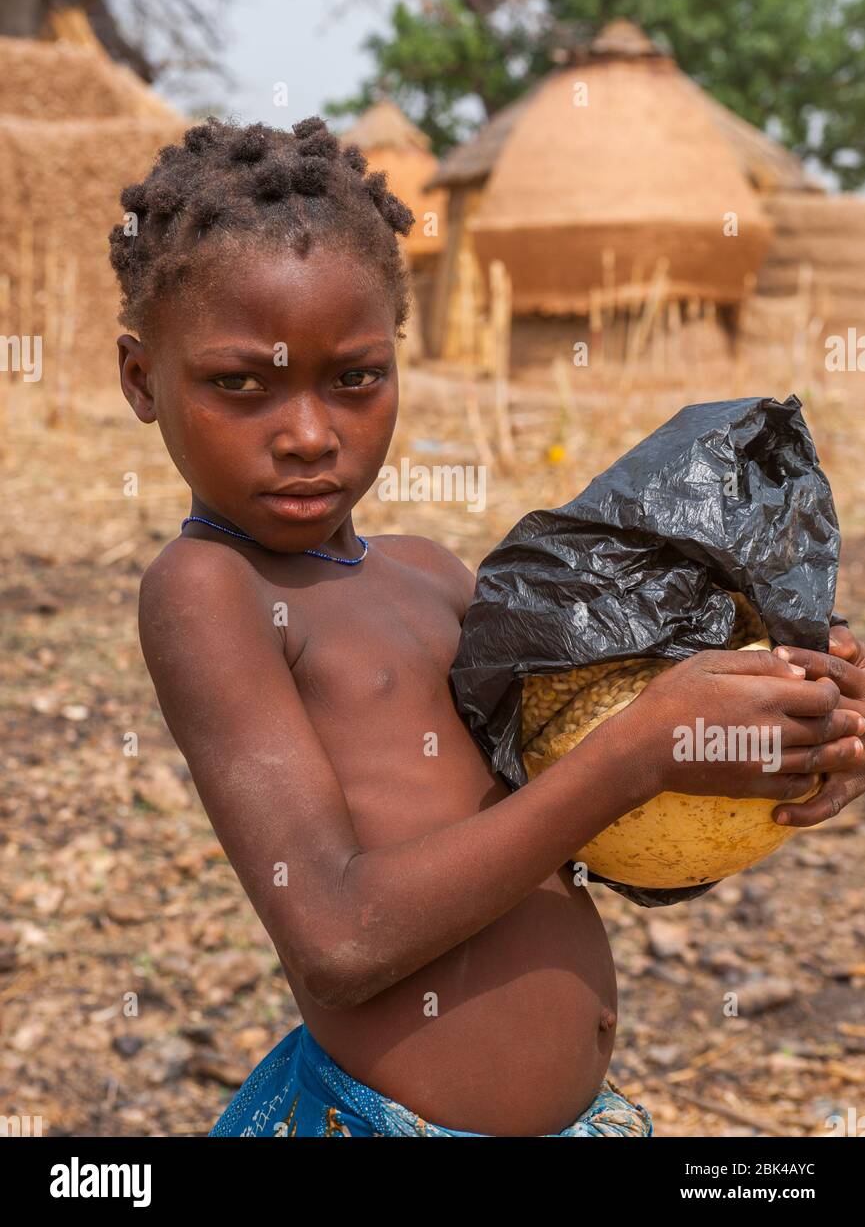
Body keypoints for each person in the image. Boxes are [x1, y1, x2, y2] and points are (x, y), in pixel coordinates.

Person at [111, 115, 865, 1138]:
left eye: (354, 378)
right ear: (142, 379)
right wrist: (636, 753)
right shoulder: (212, 592)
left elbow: (575, 833)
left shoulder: (432, 576)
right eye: (239, 384)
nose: (304, 433)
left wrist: (769, 744)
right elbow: (337, 935)